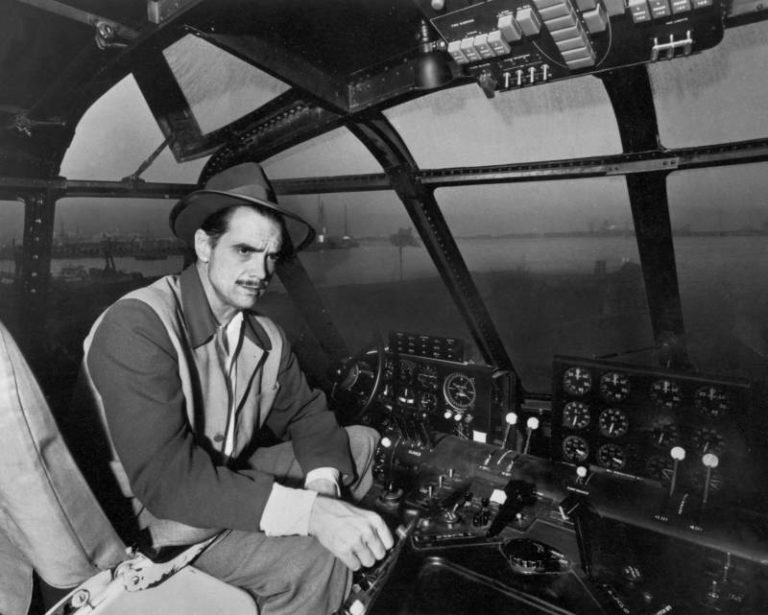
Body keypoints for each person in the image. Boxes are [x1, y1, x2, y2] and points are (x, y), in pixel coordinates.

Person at [79, 162, 394, 615]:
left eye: (270, 256)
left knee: (360, 443)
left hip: (215, 473)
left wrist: (322, 490)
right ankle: (316, 583)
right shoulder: (138, 324)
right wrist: (311, 515)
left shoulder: (264, 336)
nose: (260, 271)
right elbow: (168, 482)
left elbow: (307, 414)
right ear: (204, 246)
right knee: (315, 558)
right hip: (142, 517)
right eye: (244, 250)